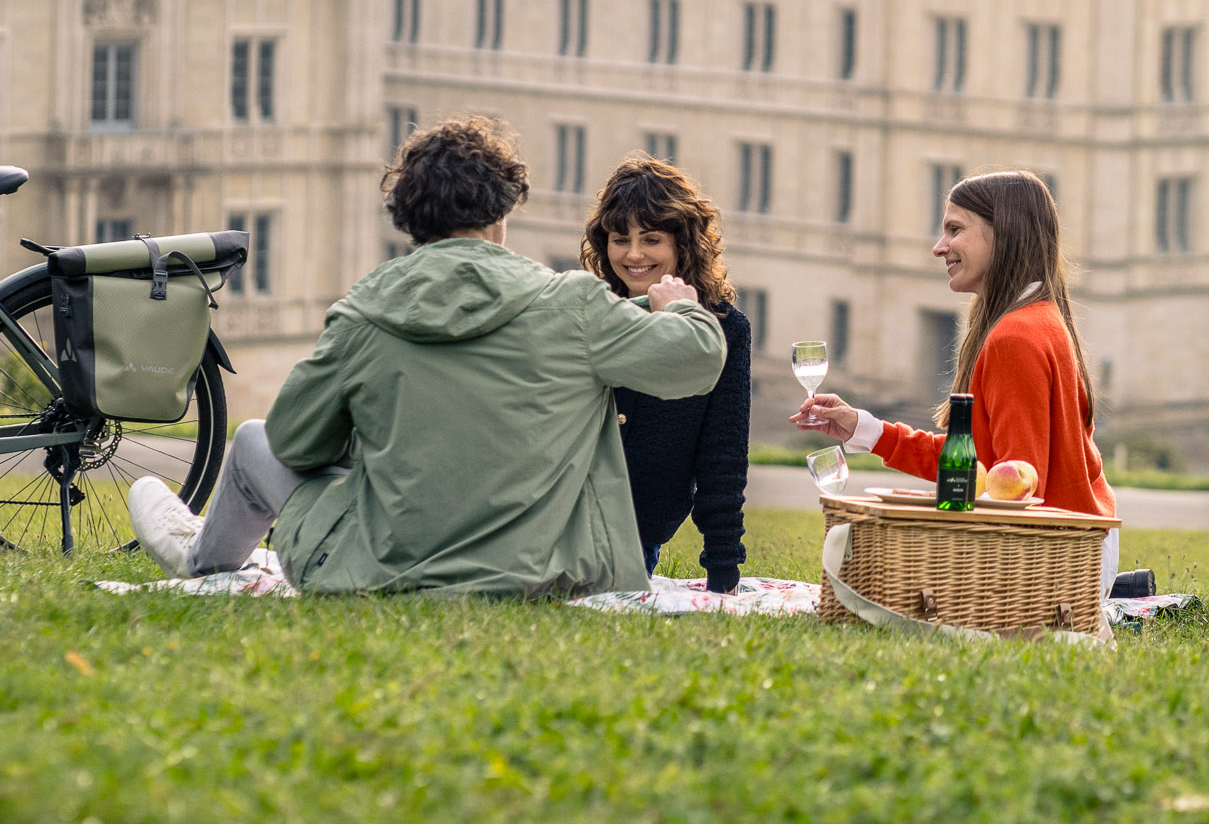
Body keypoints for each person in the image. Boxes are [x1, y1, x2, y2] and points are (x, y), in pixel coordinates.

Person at [127, 116, 728, 595]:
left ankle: (203, 559)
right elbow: (699, 359)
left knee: (253, 440)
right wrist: (680, 308)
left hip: (381, 570)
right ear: (501, 214)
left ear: (410, 221)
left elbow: (295, 443)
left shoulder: (363, 312)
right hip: (547, 573)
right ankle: (201, 552)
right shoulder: (572, 302)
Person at [792, 169, 1118, 575]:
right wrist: (865, 429)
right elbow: (979, 468)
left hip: (1056, 563)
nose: (938, 247)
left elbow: (1018, 492)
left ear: (1003, 233)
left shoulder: (1016, 337)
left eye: (955, 229)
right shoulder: (1037, 318)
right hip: (1079, 547)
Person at [582, 156, 752, 593]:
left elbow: (723, 458)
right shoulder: (587, 313)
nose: (634, 254)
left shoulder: (725, 329)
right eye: (620, 239)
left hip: (639, 538)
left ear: (683, 243)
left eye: (651, 239)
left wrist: (724, 571)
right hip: (565, 528)